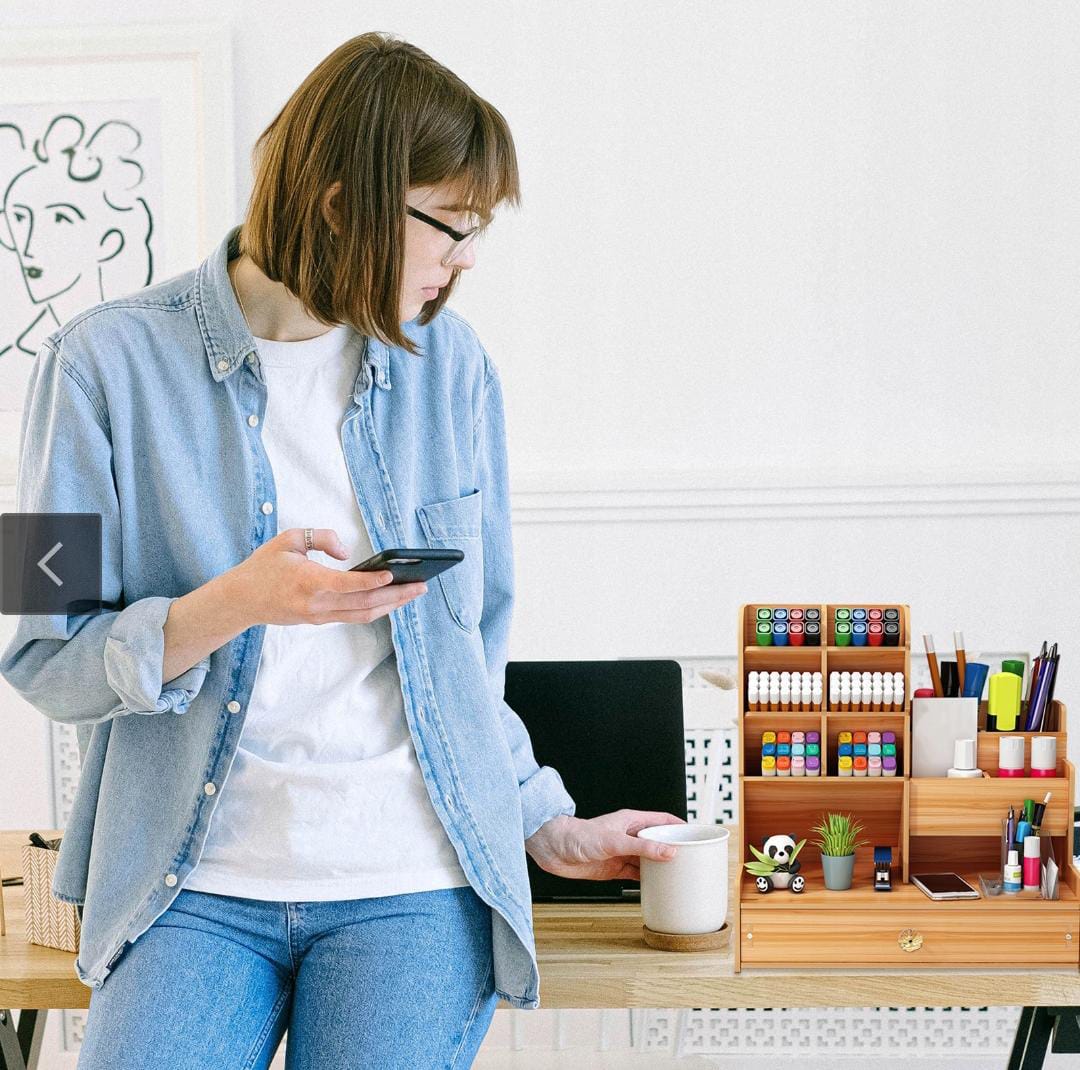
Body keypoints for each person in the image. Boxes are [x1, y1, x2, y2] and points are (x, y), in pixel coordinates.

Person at [0, 32, 684, 1069]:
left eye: (475, 231)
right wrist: (227, 602)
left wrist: (546, 817)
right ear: (339, 204)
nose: (463, 259)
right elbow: (37, 653)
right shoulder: (93, 365)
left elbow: (465, 654)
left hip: (410, 885)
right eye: (450, 225)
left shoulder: (454, 370)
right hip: (190, 887)